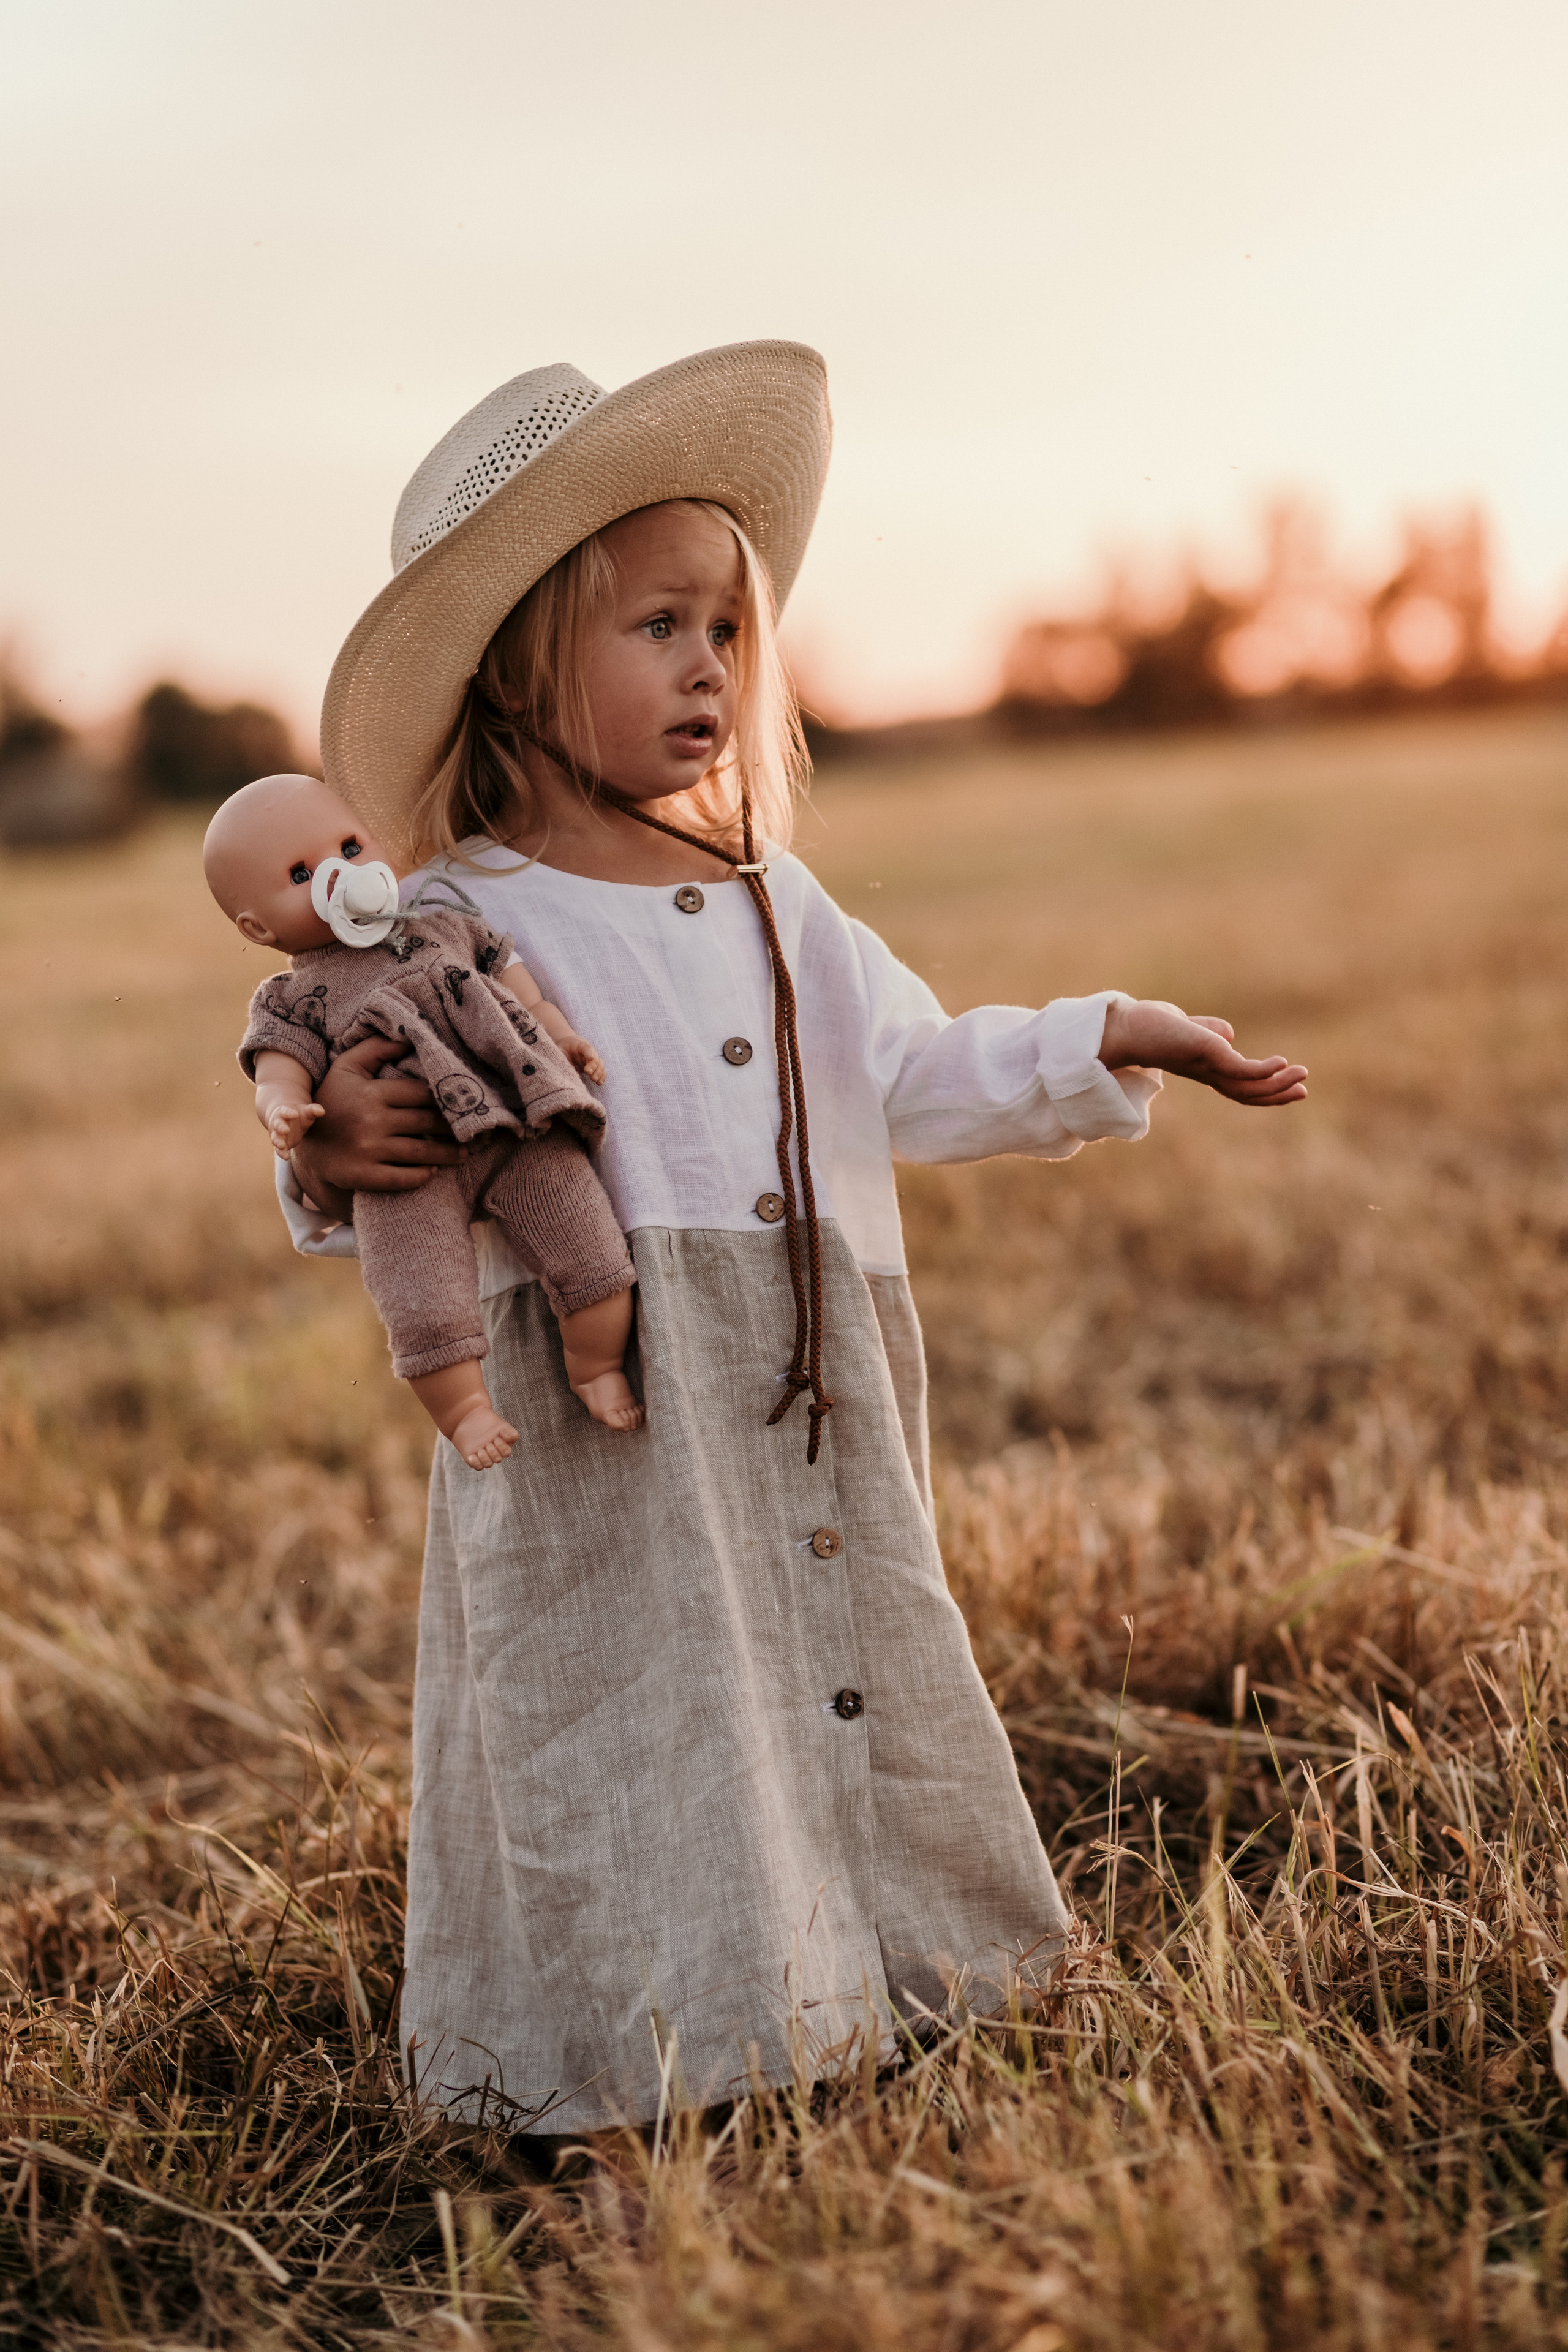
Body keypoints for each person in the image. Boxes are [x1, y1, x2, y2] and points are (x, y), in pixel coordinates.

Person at [281, 342, 1306, 2133]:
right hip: (615, 1421)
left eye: (725, 630)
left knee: (841, 1676)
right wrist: (335, 1145)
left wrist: (1104, 1035)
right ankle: (622, 2072)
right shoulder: (452, 913)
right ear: (522, 663)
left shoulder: (777, 900)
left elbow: (908, 1068)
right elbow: (354, 1114)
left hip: (804, 1373)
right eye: (655, 624)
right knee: (627, 1717)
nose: (709, 663)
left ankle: (880, 1978)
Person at [205, 770, 641, 1466]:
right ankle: (465, 1410)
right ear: (257, 926)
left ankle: (596, 1366)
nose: (340, 875)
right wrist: (284, 1109)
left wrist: (557, 1034)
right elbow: (276, 1065)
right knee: (419, 1296)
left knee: (589, 1248)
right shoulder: (292, 996)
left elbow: (515, 982)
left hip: (513, 1121)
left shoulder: (443, 921)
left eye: (350, 848)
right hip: (408, 1169)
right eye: (300, 872)